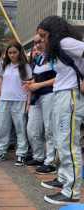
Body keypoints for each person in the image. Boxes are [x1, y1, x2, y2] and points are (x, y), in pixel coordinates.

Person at [37, 15, 84, 205]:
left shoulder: (66, 42)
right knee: (60, 139)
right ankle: (64, 179)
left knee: (67, 143)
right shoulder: (57, 48)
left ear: (53, 34)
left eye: (43, 35)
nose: (40, 39)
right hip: (61, 95)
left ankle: (72, 191)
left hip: (70, 96)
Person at [0, 41, 32, 166]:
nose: (12, 55)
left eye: (14, 52)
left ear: (19, 52)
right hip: (4, 100)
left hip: (20, 100)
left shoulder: (25, 67)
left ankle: (21, 154)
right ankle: (1, 151)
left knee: (20, 128)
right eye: (10, 53)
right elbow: (0, 85)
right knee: (2, 128)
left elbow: (29, 86)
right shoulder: (4, 66)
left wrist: (28, 103)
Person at [24, 34, 57, 173]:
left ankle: (51, 162)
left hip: (50, 95)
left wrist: (37, 85)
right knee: (32, 129)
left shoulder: (54, 57)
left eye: (40, 41)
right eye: (35, 42)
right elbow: (35, 78)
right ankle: (39, 156)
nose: (37, 44)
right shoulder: (38, 59)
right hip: (36, 99)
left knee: (50, 129)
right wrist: (31, 84)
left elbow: (61, 78)